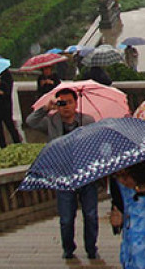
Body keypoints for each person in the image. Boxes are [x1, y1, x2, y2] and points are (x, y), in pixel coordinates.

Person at [27, 87, 98, 260]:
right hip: (63, 176)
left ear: (76, 103)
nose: (66, 107)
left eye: (69, 102)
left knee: (90, 215)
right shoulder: (52, 121)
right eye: (62, 103)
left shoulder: (87, 121)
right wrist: (46, 108)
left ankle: (91, 248)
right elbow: (30, 121)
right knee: (66, 218)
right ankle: (68, 248)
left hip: (85, 174)